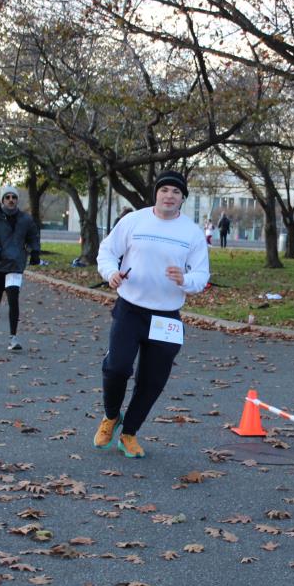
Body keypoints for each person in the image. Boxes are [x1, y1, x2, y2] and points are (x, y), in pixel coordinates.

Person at [93, 170, 210, 458]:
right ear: (156, 193)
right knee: (117, 367)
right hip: (130, 308)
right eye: (164, 190)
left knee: (152, 380)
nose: (169, 196)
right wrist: (111, 273)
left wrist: (185, 279)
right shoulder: (134, 221)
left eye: (176, 192)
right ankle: (111, 416)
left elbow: (201, 275)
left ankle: (129, 433)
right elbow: (106, 251)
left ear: (182, 198)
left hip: (166, 317)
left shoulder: (191, 233)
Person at [0, 185, 40, 351]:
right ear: (2, 200)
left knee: (13, 299)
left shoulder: (25, 219)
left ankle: (13, 338)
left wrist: (34, 251)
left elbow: (33, 236)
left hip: (15, 265)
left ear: (17, 200)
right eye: (7, 197)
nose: (11, 200)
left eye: (14, 197)